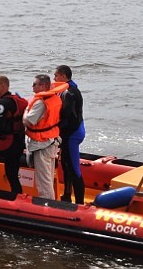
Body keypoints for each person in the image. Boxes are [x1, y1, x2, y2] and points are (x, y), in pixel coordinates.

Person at [23, 75, 68, 200]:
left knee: (43, 181)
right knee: (48, 177)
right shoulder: (55, 99)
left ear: (42, 86)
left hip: (42, 144)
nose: (32, 86)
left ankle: (47, 206)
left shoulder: (40, 102)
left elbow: (28, 121)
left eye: (34, 84)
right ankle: (51, 201)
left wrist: (26, 109)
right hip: (52, 141)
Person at [54, 65, 86, 204]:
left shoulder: (71, 92)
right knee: (66, 164)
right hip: (67, 133)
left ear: (63, 77)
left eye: (56, 75)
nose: (54, 78)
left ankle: (80, 203)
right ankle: (67, 196)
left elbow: (64, 113)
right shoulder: (64, 90)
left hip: (73, 134)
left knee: (74, 168)